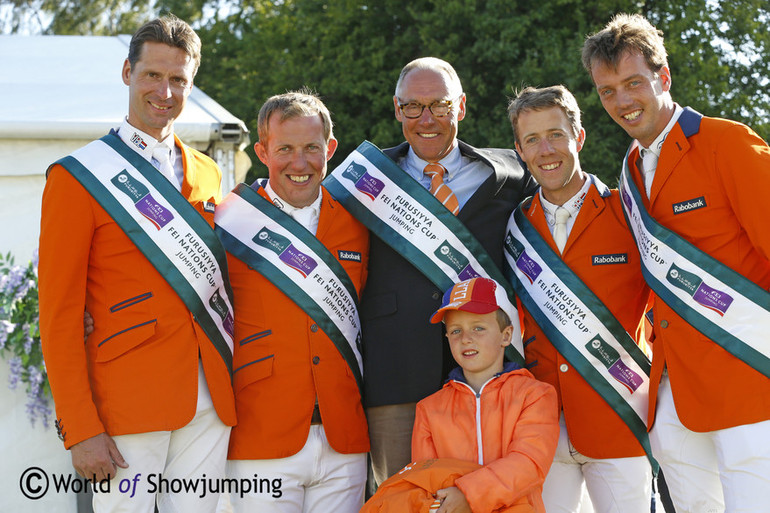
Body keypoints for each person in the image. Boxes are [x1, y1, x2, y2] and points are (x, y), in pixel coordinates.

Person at [38, 15, 235, 512]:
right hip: (126, 400)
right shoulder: (79, 177)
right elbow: (59, 315)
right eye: (153, 75)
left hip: (209, 399)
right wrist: (80, 428)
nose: (164, 91)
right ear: (128, 72)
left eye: (178, 80)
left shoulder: (208, 172)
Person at [582, 13, 770, 512]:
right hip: (672, 394)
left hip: (748, 379)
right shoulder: (629, 168)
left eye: (633, 83)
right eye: (606, 91)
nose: (622, 101)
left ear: (664, 78)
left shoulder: (727, 143)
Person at [352, 56, 537, 486]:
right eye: (413, 107)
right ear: (397, 110)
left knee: (485, 491)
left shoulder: (510, 173)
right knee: (403, 497)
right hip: (395, 373)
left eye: (440, 105)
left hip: (487, 371)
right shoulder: (364, 179)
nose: (426, 119)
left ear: (462, 106)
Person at [215, 90, 369, 512]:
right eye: (285, 149)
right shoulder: (228, 222)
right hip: (261, 434)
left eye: (311, 149)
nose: (299, 164)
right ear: (262, 151)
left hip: (345, 437)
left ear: (330, 149)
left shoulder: (357, 221)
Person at [504, 85, 653, 512]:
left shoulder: (628, 213)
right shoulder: (514, 227)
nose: (545, 150)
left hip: (619, 416)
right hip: (540, 428)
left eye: (556, 135)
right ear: (519, 149)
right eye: (532, 139)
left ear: (579, 138)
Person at [410, 277, 559, 512]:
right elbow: (426, 479)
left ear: (506, 336)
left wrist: (469, 496)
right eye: (455, 331)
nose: (466, 338)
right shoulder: (429, 408)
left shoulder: (536, 395)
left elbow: (529, 464)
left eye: (478, 328)